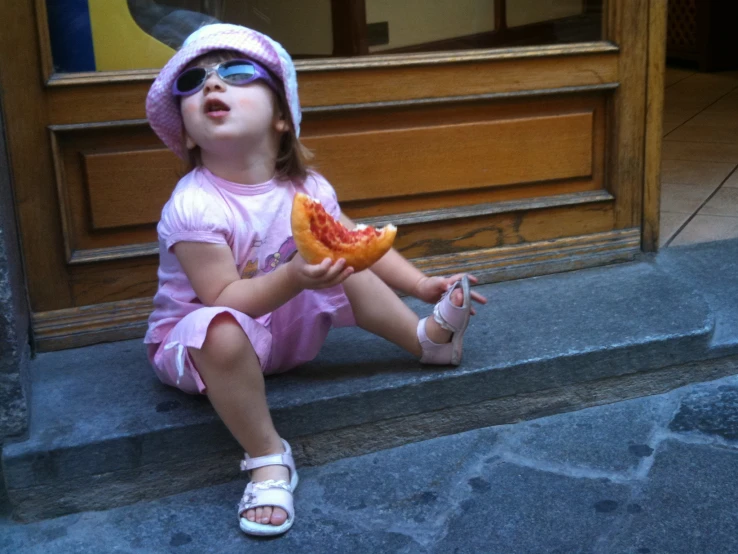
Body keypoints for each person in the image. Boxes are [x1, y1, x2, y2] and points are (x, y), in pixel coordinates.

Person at [144, 23, 487, 537]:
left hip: (281, 326)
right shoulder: (194, 205)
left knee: (343, 262)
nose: (211, 85)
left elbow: (357, 242)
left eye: (236, 74)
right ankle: (267, 456)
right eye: (192, 82)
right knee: (218, 327)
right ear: (188, 132)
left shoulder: (306, 188)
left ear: (283, 116)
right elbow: (224, 297)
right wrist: (294, 276)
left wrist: (420, 285)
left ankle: (426, 339)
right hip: (204, 351)